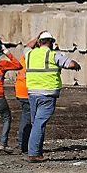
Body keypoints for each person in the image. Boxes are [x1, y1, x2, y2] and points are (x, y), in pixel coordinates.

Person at [24, 31, 81, 162]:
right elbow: (71, 64)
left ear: (39, 42)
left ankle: (37, 152)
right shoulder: (53, 55)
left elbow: (27, 46)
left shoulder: (29, 54)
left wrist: (38, 36)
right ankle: (33, 153)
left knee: (37, 123)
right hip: (47, 95)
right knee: (39, 123)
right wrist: (76, 65)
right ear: (52, 43)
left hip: (33, 93)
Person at [14, 51, 32, 155]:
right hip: (27, 93)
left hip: (21, 92)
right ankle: (23, 144)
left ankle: (24, 143)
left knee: (26, 117)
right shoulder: (34, 60)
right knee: (28, 119)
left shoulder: (23, 59)